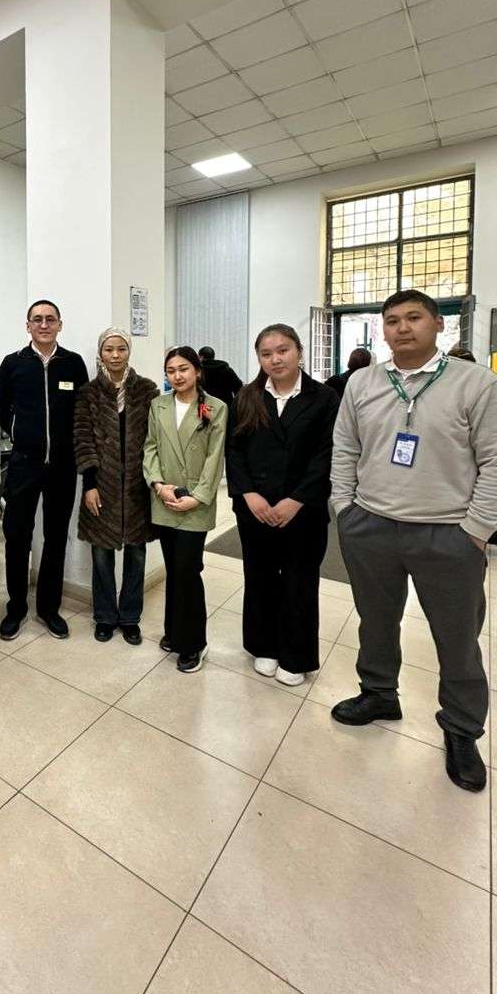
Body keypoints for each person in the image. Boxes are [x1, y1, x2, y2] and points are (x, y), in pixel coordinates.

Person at [331, 289, 497, 793]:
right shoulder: (363, 382)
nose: (402, 328)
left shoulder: (475, 382)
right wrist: (344, 509)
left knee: (457, 638)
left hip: (448, 532)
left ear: (438, 325)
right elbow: (345, 447)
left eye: (414, 318)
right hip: (371, 525)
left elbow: (493, 460)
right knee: (376, 620)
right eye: (392, 320)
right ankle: (379, 693)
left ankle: (462, 728)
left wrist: (476, 530)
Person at [226, 324, 339, 687]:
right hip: (255, 508)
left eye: (283, 350)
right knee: (259, 578)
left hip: (303, 510)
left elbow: (327, 454)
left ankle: (296, 656)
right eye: (266, 353)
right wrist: (248, 494)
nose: (275, 359)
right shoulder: (247, 396)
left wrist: (297, 499)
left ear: (299, 351)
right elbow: (234, 450)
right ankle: (264, 646)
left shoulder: (324, 398)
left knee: (299, 581)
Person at [0, 301, 89, 640]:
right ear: (28, 325)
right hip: (24, 464)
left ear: (60, 324)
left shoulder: (73, 363)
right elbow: (0, 409)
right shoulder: (13, 363)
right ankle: (16, 607)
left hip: (63, 466)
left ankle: (49, 608)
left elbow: (82, 412)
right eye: (38, 319)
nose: (44, 324)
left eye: (50, 319)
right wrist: (20, 435)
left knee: (56, 537)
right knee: (17, 536)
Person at [144, 347, 227, 671]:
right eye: (171, 370)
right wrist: (157, 483)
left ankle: (194, 643)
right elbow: (150, 448)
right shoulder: (158, 405)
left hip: (195, 502)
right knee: (173, 569)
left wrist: (199, 496)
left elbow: (215, 457)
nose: (177, 376)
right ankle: (174, 632)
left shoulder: (215, 407)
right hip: (165, 498)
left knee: (187, 571)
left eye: (183, 369)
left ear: (197, 371)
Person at [73, 327, 158, 644]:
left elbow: (155, 440)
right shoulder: (88, 393)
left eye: (121, 348)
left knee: (136, 553)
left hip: (138, 486)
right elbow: (83, 439)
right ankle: (105, 617)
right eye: (109, 349)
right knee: (101, 554)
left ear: (128, 351)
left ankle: (130, 617)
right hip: (102, 485)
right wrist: (90, 484)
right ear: (101, 354)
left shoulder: (147, 390)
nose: (115, 355)